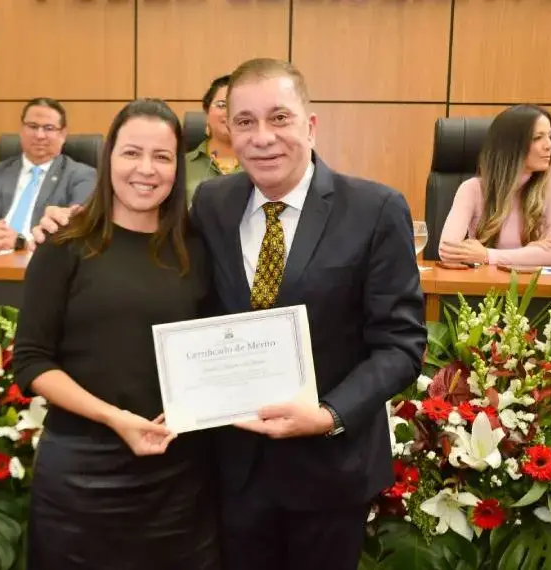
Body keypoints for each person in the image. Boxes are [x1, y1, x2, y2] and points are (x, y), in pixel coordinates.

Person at [31, 58, 426, 570]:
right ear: (227, 132)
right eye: (245, 122)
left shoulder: (374, 209)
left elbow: (401, 345)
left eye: (279, 118)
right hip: (229, 472)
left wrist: (328, 416)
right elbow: (136, 241)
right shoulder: (213, 203)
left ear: (310, 125)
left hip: (328, 474)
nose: (262, 137)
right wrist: (73, 217)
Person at [12, 98, 219, 570]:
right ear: (108, 157)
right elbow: (32, 361)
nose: (145, 169)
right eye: (131, 153)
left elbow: (215, 348)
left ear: (177, 168)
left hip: (178, 480)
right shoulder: (63, 244)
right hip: (81, 478)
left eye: (162, 157)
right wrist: (115, 419)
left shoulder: (198, 249)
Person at [439, 104, 551, 266]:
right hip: (485, 287)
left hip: (535, 288)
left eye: (550, 136)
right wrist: (531, 253)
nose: (550, 145)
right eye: (538, 138)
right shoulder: (472, 188)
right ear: (511, 145)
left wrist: (487, 255)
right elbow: (447, 251)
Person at [0, 97, 96, 249]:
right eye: (32, 126)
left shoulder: (82, 175)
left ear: (62, 134)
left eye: (49, 128)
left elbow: (76, 228)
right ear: (21, 129)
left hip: (41, 262)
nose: (39, 135)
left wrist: (20, 243)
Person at [185, 75, 242, 202]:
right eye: (222, 105)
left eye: (238, 105)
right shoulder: (182, 166)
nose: (229, 112)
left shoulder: (262, 164)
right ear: (206, 112)